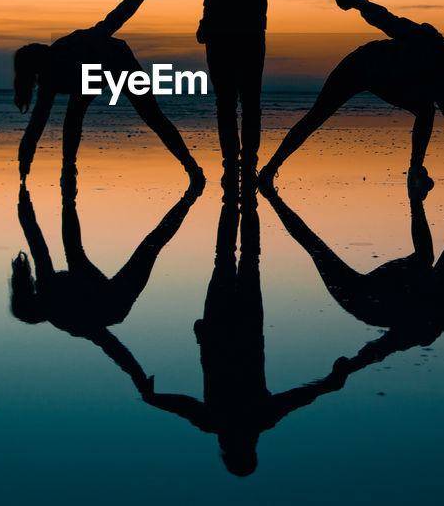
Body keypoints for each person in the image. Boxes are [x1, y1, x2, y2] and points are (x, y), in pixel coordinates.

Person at [143, 0, 352, 186]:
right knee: (226, 103)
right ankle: (231, 167)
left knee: (250, 103)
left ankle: (248, 166)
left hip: (251, 32)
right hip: (219, 32)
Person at [138, 192, 350, 476]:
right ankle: (240, 197)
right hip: (230, 329)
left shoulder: (243, 419)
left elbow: (298, 398)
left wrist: (330, 383)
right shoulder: (232, 420)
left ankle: (242, 197)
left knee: (242, 258)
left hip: (234, 328)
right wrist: (329, 383)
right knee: (230, 258)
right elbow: (299, 397)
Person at [259, 0, 444, 190]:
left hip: (385, 81)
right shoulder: (427, 39)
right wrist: (355, 1)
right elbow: (388, 21)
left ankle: (415, 171)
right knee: (316, 117)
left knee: (425, 110)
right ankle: (269, 170)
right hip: (359, 64)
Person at [262, 182, 444, 372]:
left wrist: (351, 367)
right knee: (424, 258)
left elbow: (383, 348)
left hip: (361, 299)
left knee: (314, 247)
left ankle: (271, 197)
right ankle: (415, 194)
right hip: (385, 286)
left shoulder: (425, 329)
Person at [9, 180, 203, 390]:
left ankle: (68, 191)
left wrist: (23, 202)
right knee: (151, 245)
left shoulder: (46, 287)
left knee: (74, 252)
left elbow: (37, 244)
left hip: (91, 286)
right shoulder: (67, 320)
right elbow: (111, 346)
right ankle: (190, 197)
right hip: (115, 302)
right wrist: (138, 377)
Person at [14, 0, 203, 186]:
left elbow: (118, 16)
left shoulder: (74, 46)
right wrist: (25, 158)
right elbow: (38, 120)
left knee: (153, 117)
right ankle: (69, 169)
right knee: (74, 116)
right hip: (92, 74)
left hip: (120, 62)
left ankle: (192, 168)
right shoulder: (49, 77)